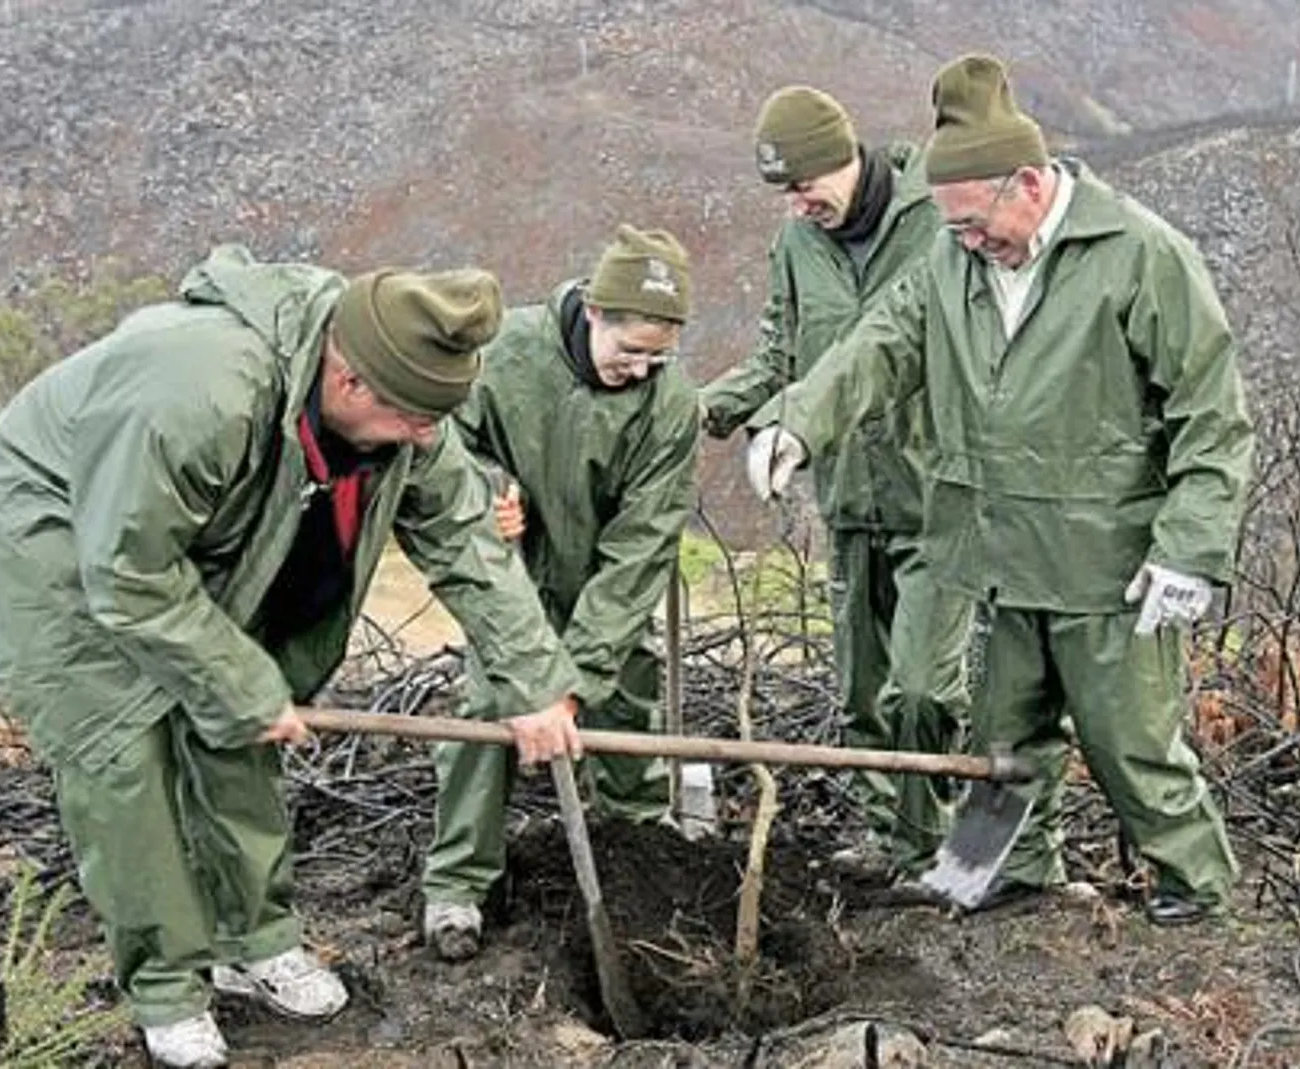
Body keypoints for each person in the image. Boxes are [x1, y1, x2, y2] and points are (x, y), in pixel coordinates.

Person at [0, 244, 585, 1067]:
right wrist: (240, 681)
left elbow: (463, 536)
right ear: (350, 385)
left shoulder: (407, 408)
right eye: (415, 422)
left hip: (169, 546)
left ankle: (257, 939)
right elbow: (128, 575)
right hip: (36, 537)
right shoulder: (204, 386)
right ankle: (167, 986)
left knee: (236, 731)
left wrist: (534, 682)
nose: (427, 438)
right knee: (124, 752)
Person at [744, 54, 1252, 925]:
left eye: (978, 224)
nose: (968, 242)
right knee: (1002, 738)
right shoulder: (951, 260)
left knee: (1131, 743)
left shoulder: (1138, 255)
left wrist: (1190, 549)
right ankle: (1003, 871)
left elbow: (1212, 413)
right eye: (954, 229)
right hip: (999, 551)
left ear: (1028, 182)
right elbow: (881, 346)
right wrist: (798, 419)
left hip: (1109, 565)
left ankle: (1200, 893)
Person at [699, 86, 972, 876]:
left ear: (842, 158)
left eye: (803, 185)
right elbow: (781, 358)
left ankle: (934, 843)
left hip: (937, 494)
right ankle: (889, 836)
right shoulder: (798, 247)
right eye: (782, 193)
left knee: (921, 688)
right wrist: (704, 410)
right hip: (850, 496)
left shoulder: (936, 221)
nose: (795, 206)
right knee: (860, 690)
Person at [421, 225, 700, 960]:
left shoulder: (669, 407)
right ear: (595, 312)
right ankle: (459, 887)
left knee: (626, 703)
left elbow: (639, 553)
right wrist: (485, 489)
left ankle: (639, 865)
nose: (640, 371)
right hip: (508, 582)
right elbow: (439, 442)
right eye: (629, 351)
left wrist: (573, 682)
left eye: (658, 358)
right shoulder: (503, 354)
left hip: (600, 588)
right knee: (488, 710)